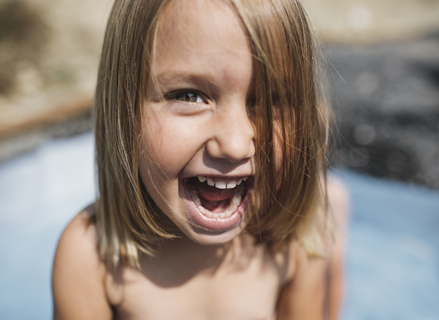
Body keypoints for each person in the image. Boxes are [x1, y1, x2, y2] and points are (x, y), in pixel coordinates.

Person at [52, 0, 347, 319]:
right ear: (123, 110)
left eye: (268, 100)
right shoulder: (91, 255)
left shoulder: (294, 243)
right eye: (189, 96)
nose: (234, 145)